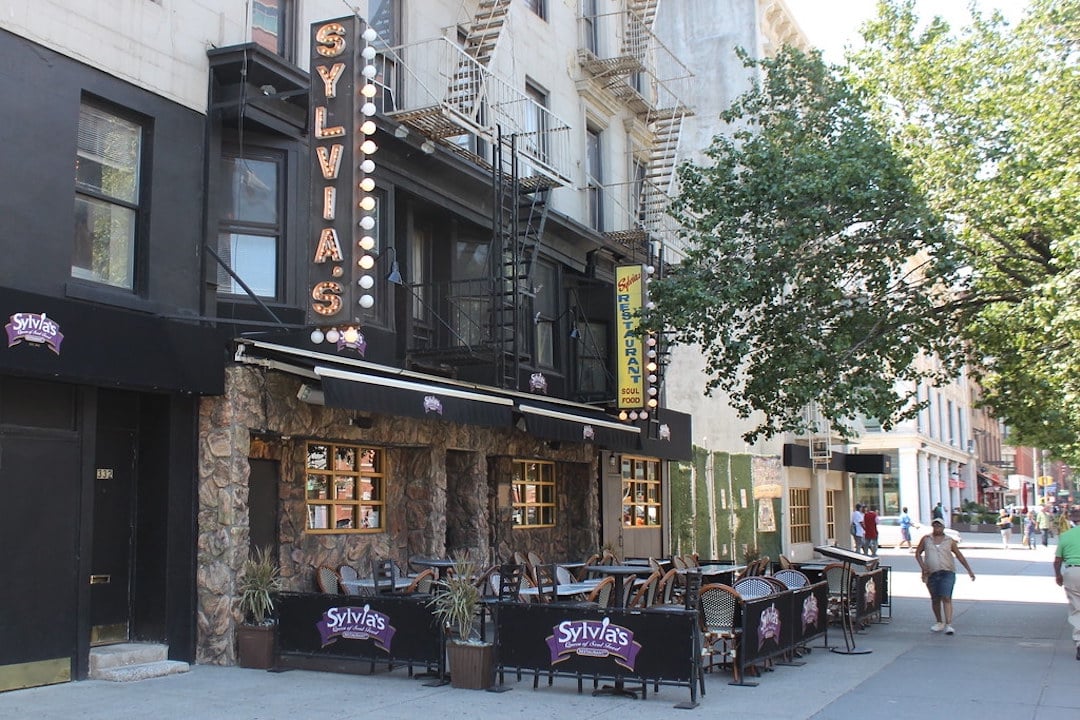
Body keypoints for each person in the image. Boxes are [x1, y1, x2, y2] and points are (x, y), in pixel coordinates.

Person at [915, 517, 976, 635]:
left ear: (943, 528)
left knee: (946, 597)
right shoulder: (926, 539)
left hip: (947, 572)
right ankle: (939, 622)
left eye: (939, 526)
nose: (937, 528)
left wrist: (969, 571)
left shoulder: (949, 541)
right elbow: (918, 553)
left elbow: (959, 556)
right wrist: (923, 566)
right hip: (931, 573)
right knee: (935, 599)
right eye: (935, 526)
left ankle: (948, 624)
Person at [1053, 507, 1080, 661]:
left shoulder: (1066, 536)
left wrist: (1058, 576)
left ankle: (1079, 643)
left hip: (1073, 572)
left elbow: (1057, 561)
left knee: (1077, 608)